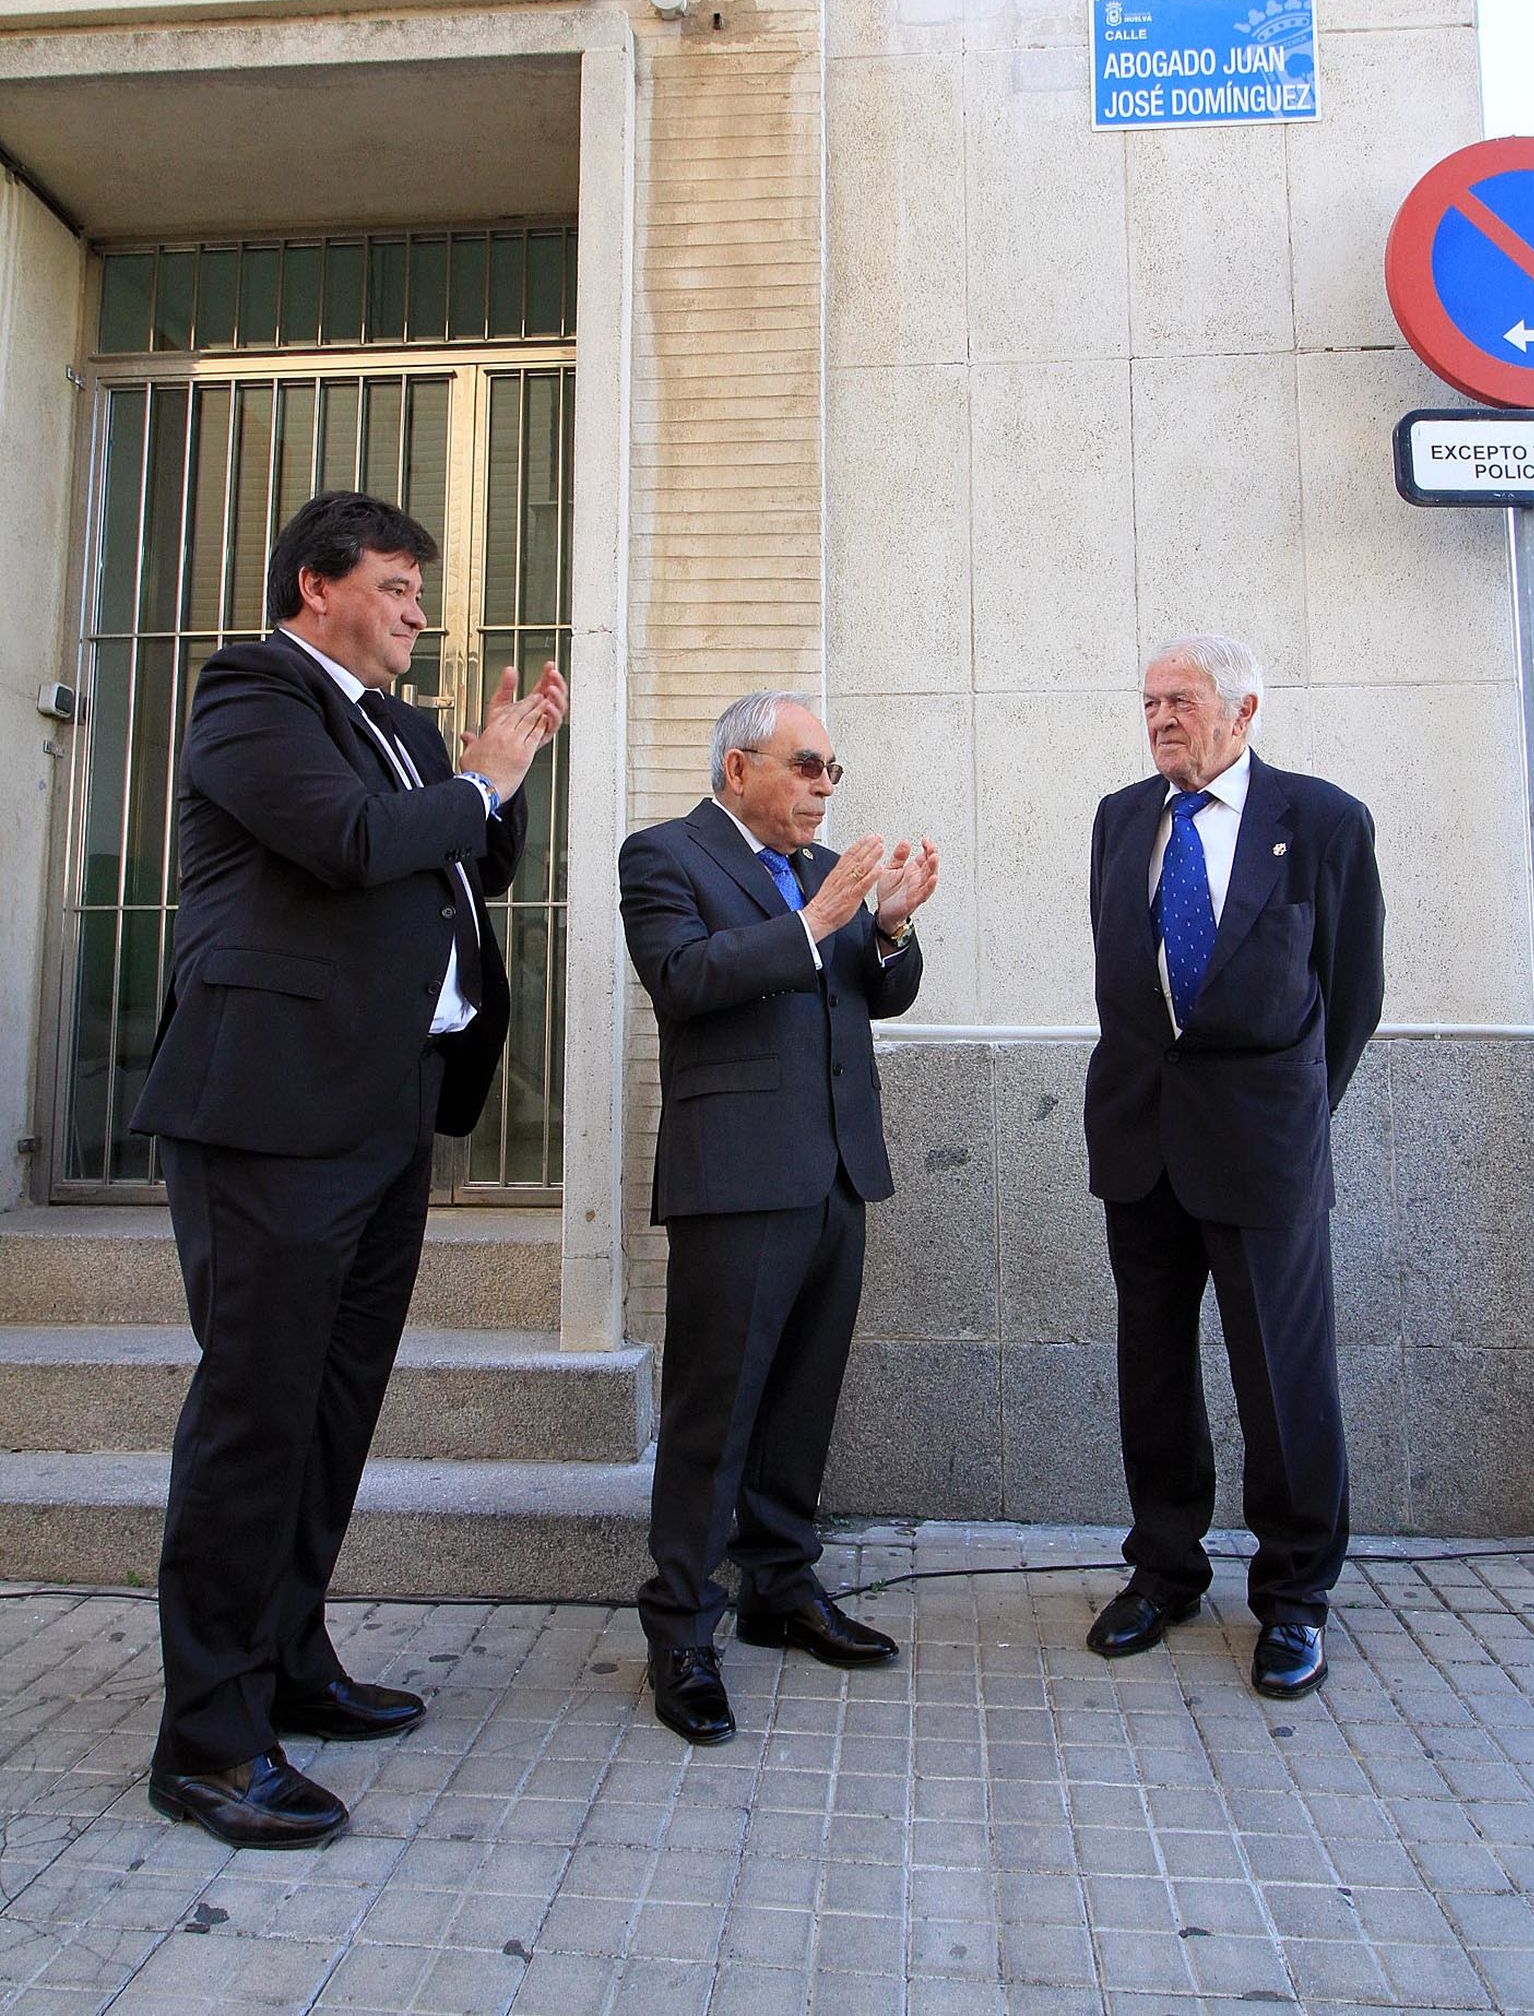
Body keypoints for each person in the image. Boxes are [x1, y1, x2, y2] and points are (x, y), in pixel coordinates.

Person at [131, 490, 566, 1846]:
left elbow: (463, 864)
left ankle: (290, 1663)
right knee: (258, 1419)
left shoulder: (402, 727)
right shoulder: (251, 695)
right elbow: (355, 844)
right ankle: (206, 1744)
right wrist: (477, 778)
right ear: (317, 589)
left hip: (381, 1112)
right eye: (395, 587)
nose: (417, 615)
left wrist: (508, 769)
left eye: (420, 593)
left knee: (333, 1412)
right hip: (269, 1114)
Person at [619, 691, 939, 1742]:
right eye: (806, 765)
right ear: (737, 765)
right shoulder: (663, 855)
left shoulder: (824, 869)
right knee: (714, 1414)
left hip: (838, 1170)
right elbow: (681, 978)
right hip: (738, 1176)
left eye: (832, 771)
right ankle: (679, 1629)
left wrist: (888, 926)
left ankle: (780, 1587)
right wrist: (815, 923)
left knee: (802, 1401)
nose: (822, 786)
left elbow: (873, 996)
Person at [1082, 636, 1384, 1700]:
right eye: (1151, 699)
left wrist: (1293, 1111)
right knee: (1153, 1371)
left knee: (1282, 1376)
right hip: (1140, 1138)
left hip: (1262, 1146)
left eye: (1183, 699)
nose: (1161, 716)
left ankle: (1295, 1594)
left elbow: (1348, 998)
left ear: (1243, 710)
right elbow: (1128, 984)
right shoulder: (1122, 818)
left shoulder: (1322, 821)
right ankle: (1164, 1569)